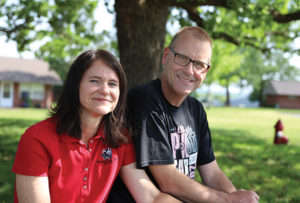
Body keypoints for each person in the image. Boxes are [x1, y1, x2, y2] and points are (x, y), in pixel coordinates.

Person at [110, 26, 260, 202]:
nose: (190, 70)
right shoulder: (145, 100)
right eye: (182, 58)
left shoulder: (196, 109)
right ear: (166, 56)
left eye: (199, 64)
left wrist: (235, 196)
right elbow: (168, 181)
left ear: (206, 71)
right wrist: (229, 200)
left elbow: (211, 173)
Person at [12, 49, 180, 203]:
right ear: (75, 85)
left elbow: (150, 196)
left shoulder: (120, 139)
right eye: (94, 81)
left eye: (113, 84)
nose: (105, 90)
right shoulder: (36, 139)